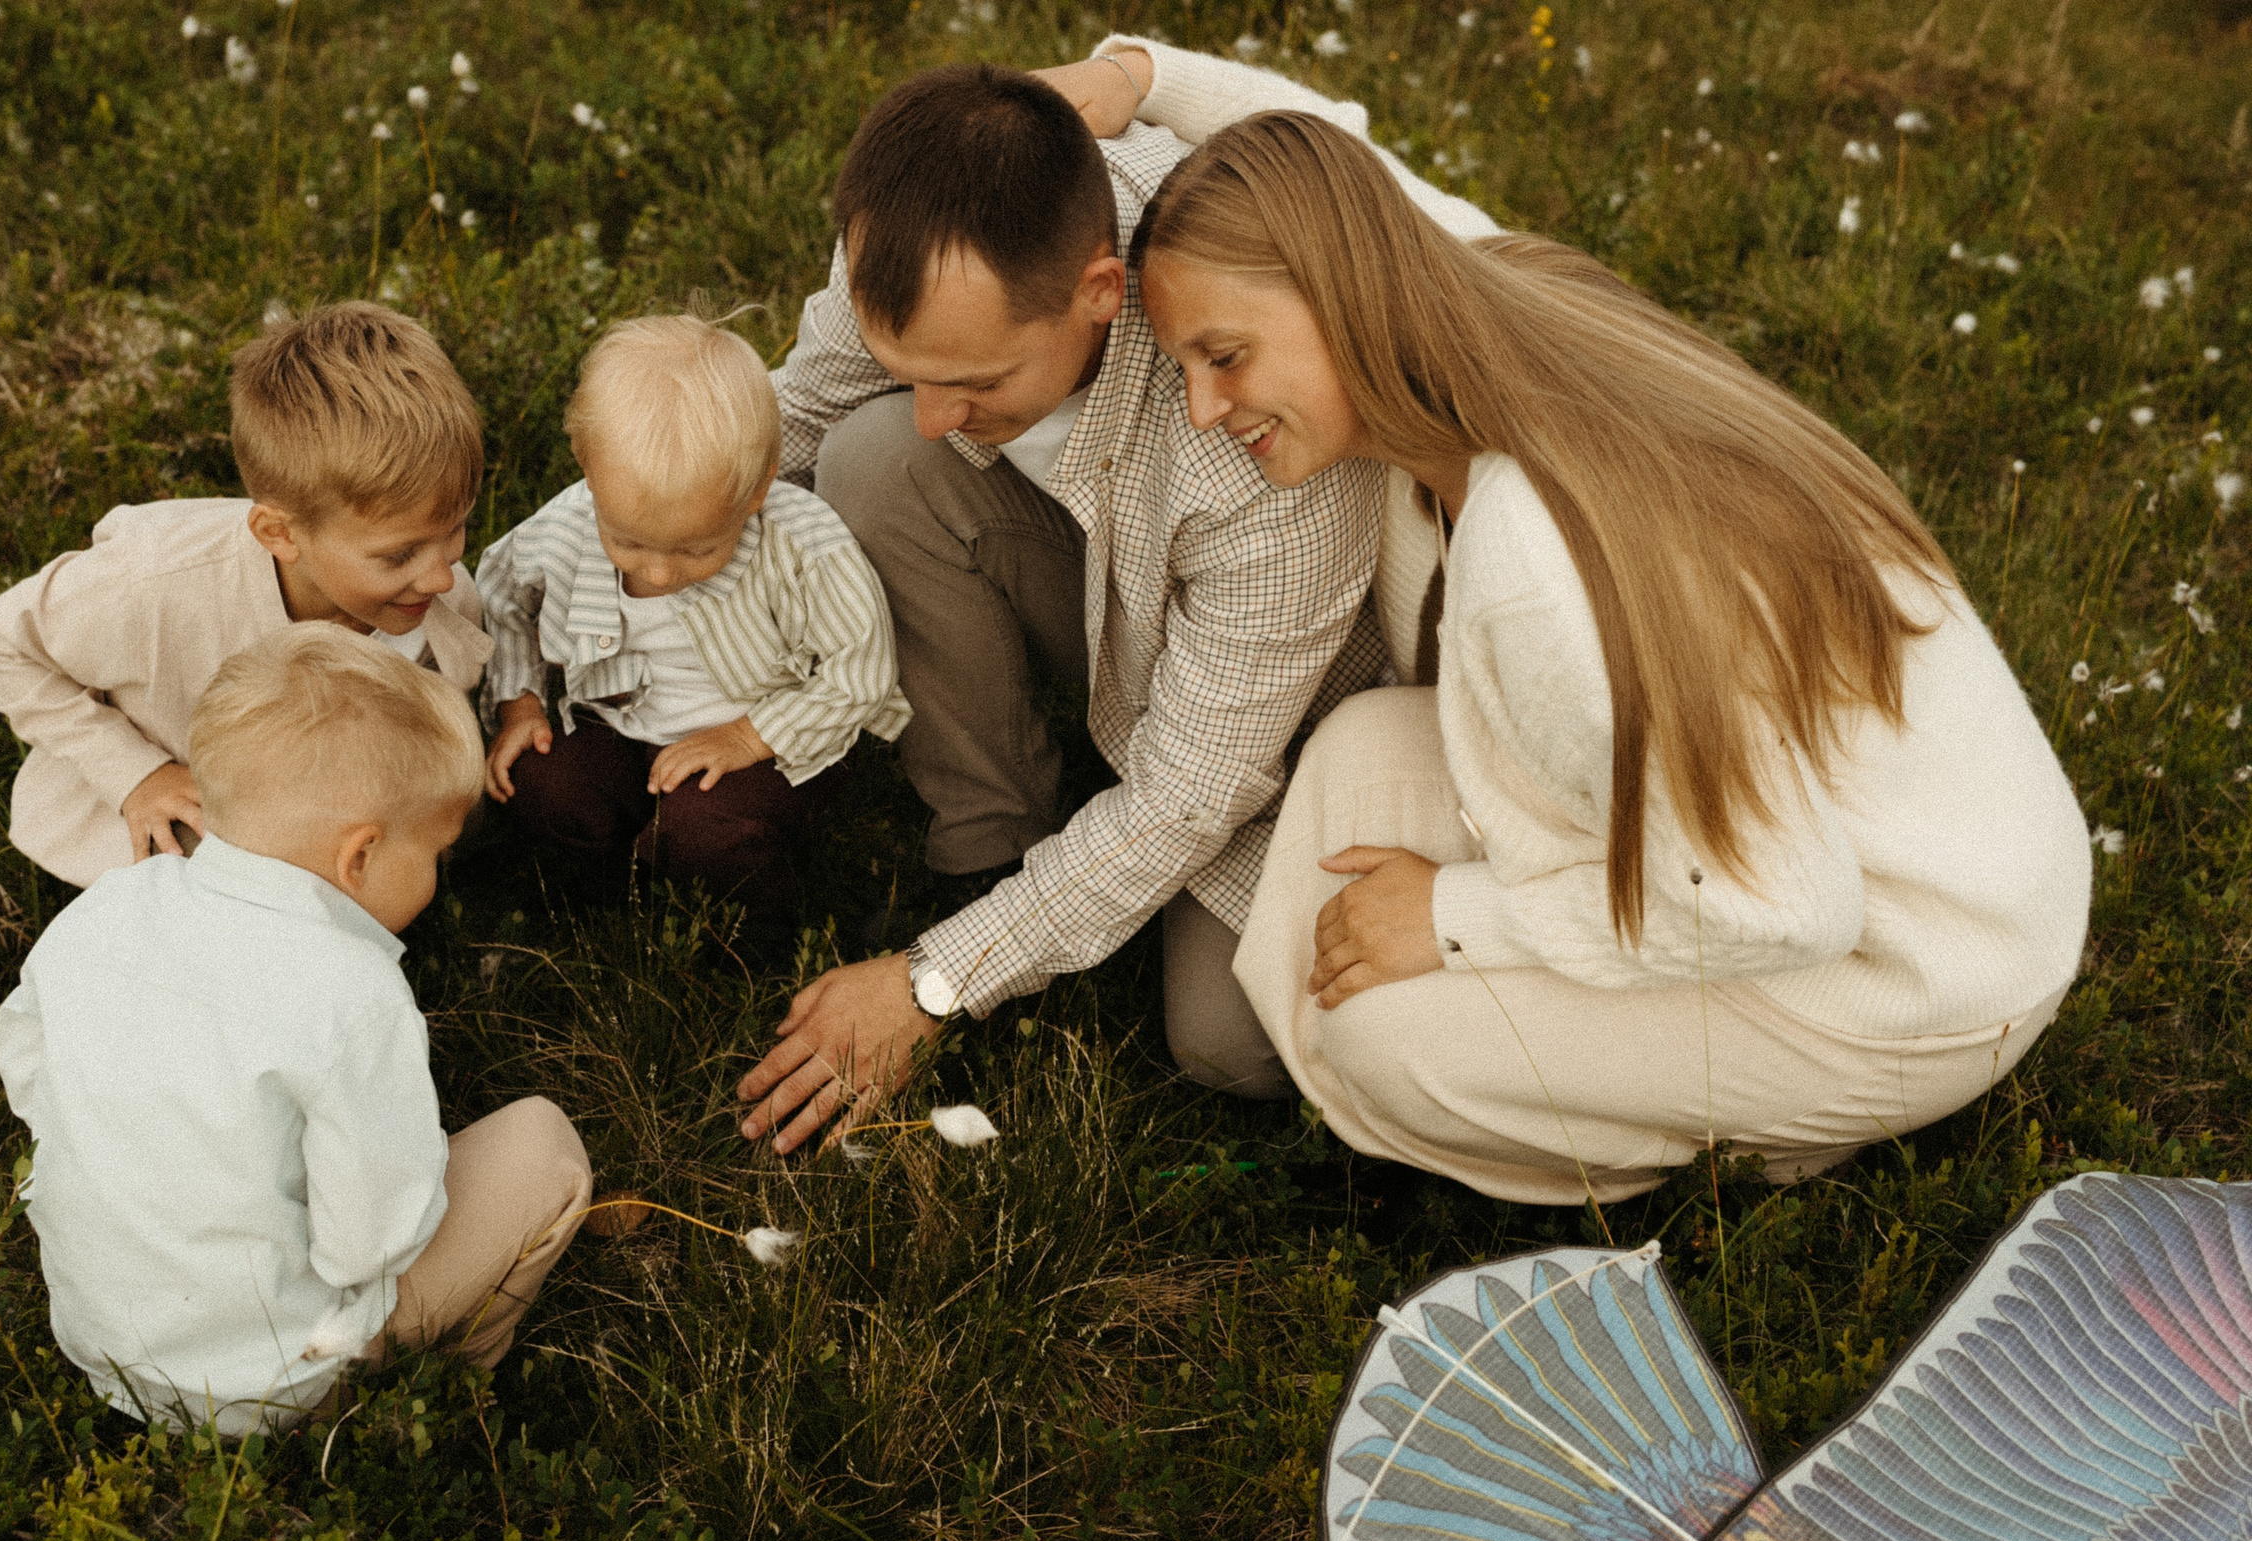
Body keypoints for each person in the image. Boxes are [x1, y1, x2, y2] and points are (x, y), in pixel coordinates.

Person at [1131, 113, 2092, 1206]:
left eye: (1225, 357)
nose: (1206, 411)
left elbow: (1789, 904)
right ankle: (1614, 1030)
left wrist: (1458, 920)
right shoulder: (1497, 300)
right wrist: (1135, 78)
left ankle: (1779, 1138)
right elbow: (1324, 148)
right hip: (1837, 830)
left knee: (1382, 1038)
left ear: (1344, 287)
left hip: (1907, 964)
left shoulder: (1534, 563)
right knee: (1357, 756)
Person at [739, 42, 1501, 1150]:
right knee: (870, 461)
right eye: (913, 370)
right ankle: (985, 853)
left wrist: (930, 987)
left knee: (1224, 1040)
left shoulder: (1259, 430)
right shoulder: (925, 235)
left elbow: (1190, 793)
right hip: (1109, 590)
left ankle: (1023, 921)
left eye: (975, 382)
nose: (934, 414)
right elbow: (790, 421)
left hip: (1285, 725)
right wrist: (567, 573)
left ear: (1101, 293)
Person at [0, 625, 594, 1435]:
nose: (438, 878)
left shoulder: (105, 906)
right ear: (361, 858)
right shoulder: (355, 996)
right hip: (272, 1379)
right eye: (437, 855)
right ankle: (453, 1374)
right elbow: (370, 1246)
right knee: (544, 1147)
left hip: (104, 1347)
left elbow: (28, 1058)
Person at [0, 301, 492, 887]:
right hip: (188, 807)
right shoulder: (156, 585)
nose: (441, 578)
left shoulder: (435, 598)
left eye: (455, 530)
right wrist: (137, 774)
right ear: (281, 534)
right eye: (398, 555)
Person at [476, 314, 908, 939]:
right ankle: (599, 913)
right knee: (544, 782)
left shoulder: (804, 548)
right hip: (619, 727)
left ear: (758, 488)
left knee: (713, 835)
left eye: (697, 551)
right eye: (626, 541)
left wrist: (749, 736)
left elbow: (862, 669)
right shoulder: (566, 528)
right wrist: (520, 704)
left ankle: (748, 943)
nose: (659, 570)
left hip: (760, 750)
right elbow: (503, 595)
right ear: (587, 468)